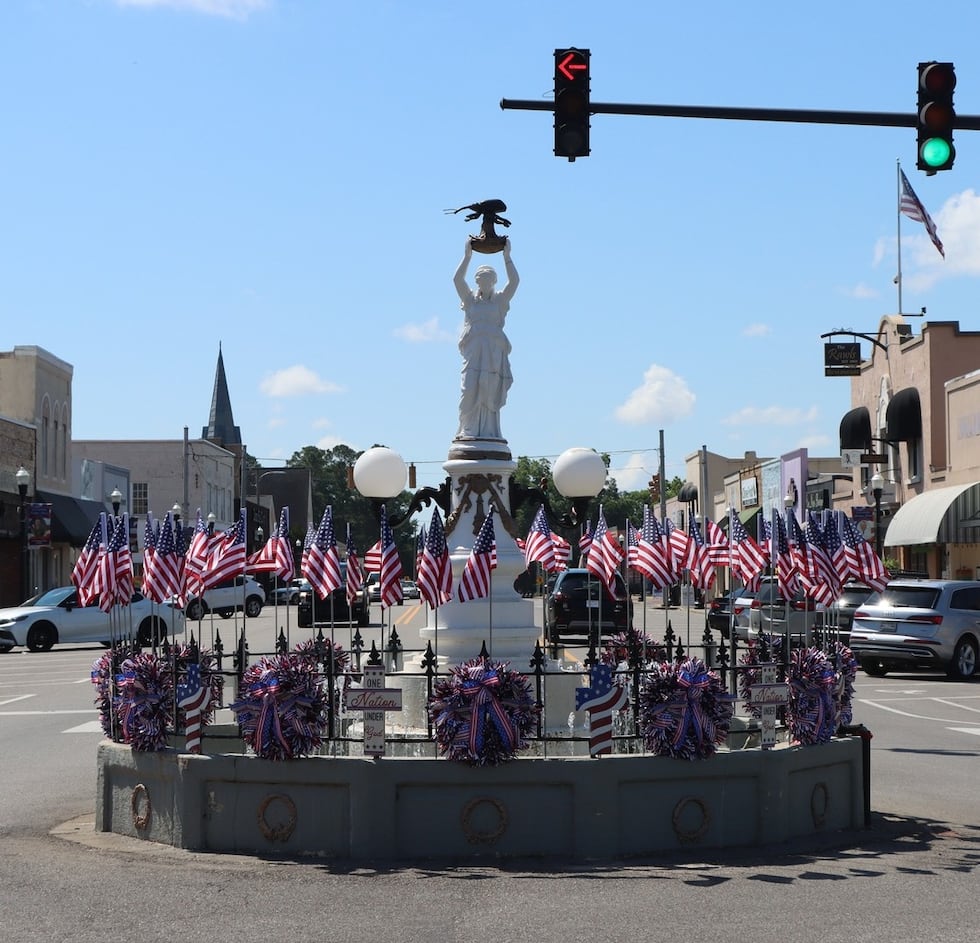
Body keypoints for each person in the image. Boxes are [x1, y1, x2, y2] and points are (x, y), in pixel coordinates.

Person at [453, 237, 519, 440]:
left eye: (489, 280)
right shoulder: (470, 300)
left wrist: (507, 257)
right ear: (477, 282)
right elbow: (457, 280)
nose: (485, 284)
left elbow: (515, 282)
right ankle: (467, 429)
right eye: (481, 280)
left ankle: (490, 432)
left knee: (489, 391)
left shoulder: (499, 300)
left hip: (492, 354)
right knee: (469, 390)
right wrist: (467, 257)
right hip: (474, 353)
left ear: (494, 282)